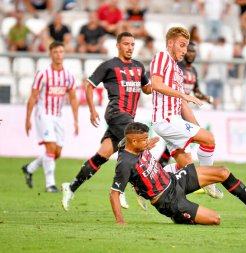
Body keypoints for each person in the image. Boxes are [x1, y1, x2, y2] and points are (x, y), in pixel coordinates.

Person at [110, 122, 246, 225]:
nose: (148, 141)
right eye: (144, 140)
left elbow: (126, 143)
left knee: (222, 172)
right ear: (134, 141)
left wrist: (144, 145)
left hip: (174, 180)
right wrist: (119, 221)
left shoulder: (131, 144)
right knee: (216, 219)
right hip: (168, 200)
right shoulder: (125, 163)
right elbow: (114, 194)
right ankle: (179, 216)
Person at [61, 32, 151, 211]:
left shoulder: (139, 67)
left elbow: (147, 89)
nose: (130, 47)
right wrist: (92, 110)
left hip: (128, 118)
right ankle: (133, 190)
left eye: (132, 44)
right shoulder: (109, 66)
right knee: (136, 148)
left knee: (102, 156)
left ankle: (70, 187)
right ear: (118, 45)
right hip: (116, 113)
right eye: (126, 44)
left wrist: (158, 82)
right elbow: (89, 85)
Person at [150, 26, 223, 199]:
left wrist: (198, 128)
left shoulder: (177, 70)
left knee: (187, 171)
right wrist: (184, 94)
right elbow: (156, 84)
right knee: (210, 139)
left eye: (186, 46)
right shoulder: (162, 57)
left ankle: (146, 184)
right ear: (170, 43)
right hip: (166, 119)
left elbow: (183, 104)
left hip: (171, 119)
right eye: (182, 45)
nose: (184, 50)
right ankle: (209, 181)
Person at [22, 41, 79, 193]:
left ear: (64, 54)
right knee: (51, 148)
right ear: (50, 54)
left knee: (57, 153)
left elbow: (73, 98)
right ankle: (50, 185)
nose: (59, 54)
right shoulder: (42, 74)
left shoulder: (68, 76)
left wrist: (76, 120)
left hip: (58, 116)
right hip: (43, 114)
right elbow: (33, 97)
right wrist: (27, 119)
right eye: (55, 52)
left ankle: (30, 167)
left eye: (61, 52)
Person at [158, 41, 213, 168]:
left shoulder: (193, 70)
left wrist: (205, 98)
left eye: (194, 51)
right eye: (189, 51)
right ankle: (201, 174)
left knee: (176, 147)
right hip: (175, 110)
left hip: (185, 110)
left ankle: (159, 171)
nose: (191, 54)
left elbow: (196, 90)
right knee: (187, 143)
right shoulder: (177, 68)